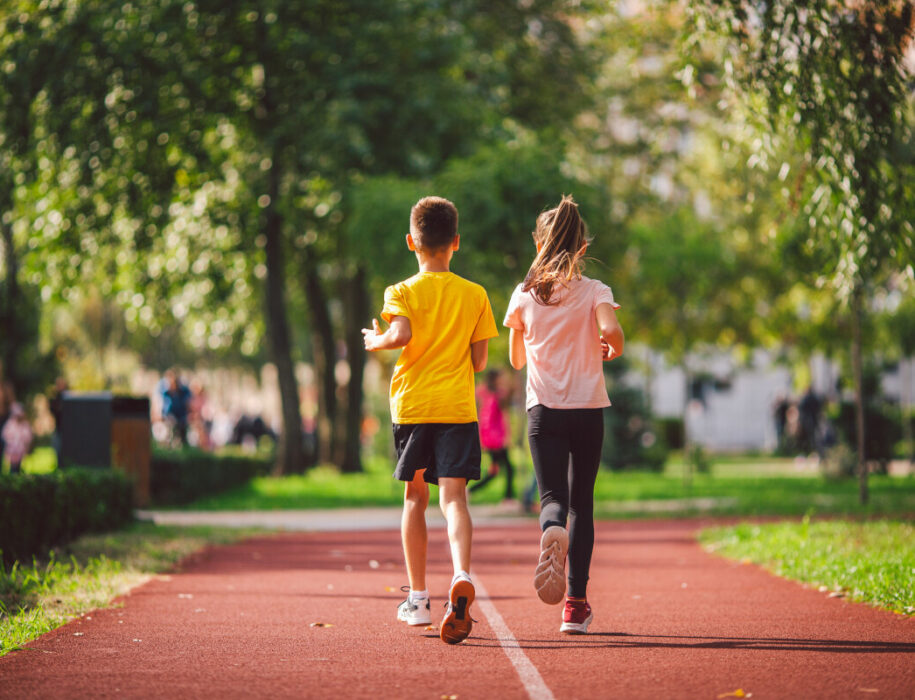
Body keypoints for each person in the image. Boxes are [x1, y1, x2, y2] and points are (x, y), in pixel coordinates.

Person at [362, 196, 498, 645]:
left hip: (414, 407)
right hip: (457, 409)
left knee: (414, 498)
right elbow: (479, 362)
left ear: (410, 242)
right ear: (455, 242)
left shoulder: (399, 291)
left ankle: (418, 600)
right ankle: (461, 573)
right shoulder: (475, 294)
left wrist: (375, 340)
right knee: (455, 499)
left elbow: (399, 335)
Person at [504, 195, 624, 635]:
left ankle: (549, 528)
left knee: (552, 498)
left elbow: (516, 360)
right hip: (588, 410)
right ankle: (575, 605)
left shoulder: (523, 295)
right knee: (583, 505)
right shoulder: (596, 291)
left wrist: (527, 333)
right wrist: (612, 344)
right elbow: (610, 331)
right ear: (582, 248)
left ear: (540, 244)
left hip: (544, 411)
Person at [470, 369, 516, 504]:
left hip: (487, 436)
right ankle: (508, 498)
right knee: (507, 468)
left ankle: (470, 491)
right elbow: (504, 417)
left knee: (495, 470)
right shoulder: (500, 395)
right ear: (495, 379)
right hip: (497, 437)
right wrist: (508, 436)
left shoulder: (483, 392)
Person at [157, 369, 192, 447]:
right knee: (167, 428)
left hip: (181, 418)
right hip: (168, 418)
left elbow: (187, 405)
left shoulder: (183, 392)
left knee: (182, 428)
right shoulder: (164, 392)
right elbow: (161, 407)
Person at [2, 403, 33, 474]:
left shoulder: (25, 425)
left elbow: (28, 436)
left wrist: (26, 444)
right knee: (12, 465)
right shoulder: (10, 424)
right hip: (12, 449)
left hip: (20, 449)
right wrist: (10, 440)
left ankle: (17, 474)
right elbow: (5, 434)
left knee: (19, 464)